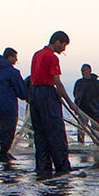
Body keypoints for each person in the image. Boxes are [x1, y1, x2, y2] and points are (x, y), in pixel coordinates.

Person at [29, 31, 77, 178]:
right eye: (63, 45)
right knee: (56, 132)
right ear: (57, 42)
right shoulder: (52, 57)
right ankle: (62, 167)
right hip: (47, 94)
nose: (63, 49)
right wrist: (70, 103)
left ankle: (43, 168)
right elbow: (57, 81)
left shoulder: (37, 54)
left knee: (40, 134)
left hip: (34, 94)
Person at [0, 47, 28, 162]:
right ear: (10, 57)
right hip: (8, 106)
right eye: (15, 58)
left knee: (2, 129)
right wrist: (28, 96)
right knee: (9, 130)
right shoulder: (12, 72)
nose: (16, 61)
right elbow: (22, 91)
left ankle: (4, 152)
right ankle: (4, 154)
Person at [72, 64, 99, 143]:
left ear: (89, 70)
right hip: (82, 110)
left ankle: (97, 144)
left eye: (84, 70)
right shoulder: (79, 83)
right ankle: (80, 144)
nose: (83, 72)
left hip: (94, 110)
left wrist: (97, 103)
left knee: (95, 129)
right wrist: (76, 107)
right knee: (81, 128)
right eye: (82, 71)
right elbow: (76, 95)